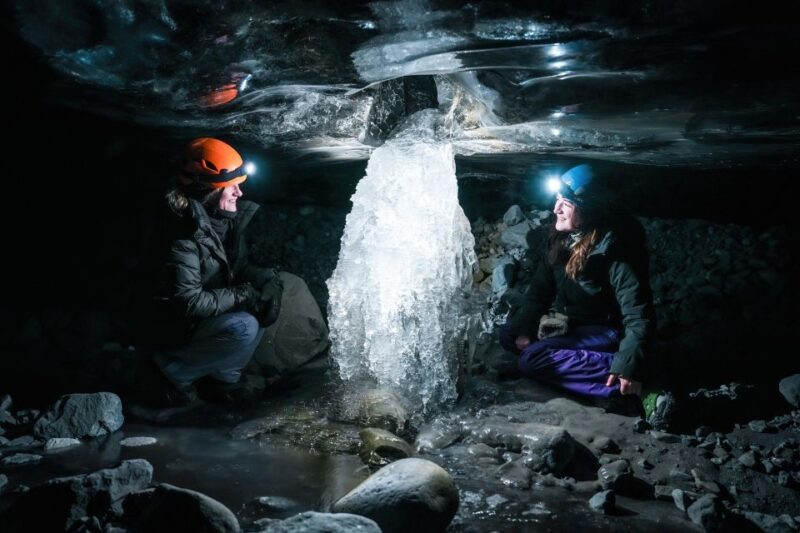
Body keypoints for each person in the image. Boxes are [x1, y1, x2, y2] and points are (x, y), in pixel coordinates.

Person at [500, 164, 654, 415]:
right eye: (557, 200)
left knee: (532, 359)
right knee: (509, 333)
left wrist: (629, 365)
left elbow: (638, 315)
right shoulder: (561, 239)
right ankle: (570, 363)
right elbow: (540, 290)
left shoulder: (614, 250)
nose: (556, 209)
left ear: (588, 210)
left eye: (566, 204)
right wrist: (526, 328)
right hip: (572, 321)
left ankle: (628, 379)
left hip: (605, 330)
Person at [142, 137, 284, 406]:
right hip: (172, 322)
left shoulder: (224, 221)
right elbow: (188, 301)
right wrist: (243, 295)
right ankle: (172, 375)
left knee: (261, 308)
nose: (239, 193)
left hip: (205, 311)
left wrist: (267, 282)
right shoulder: (182, 234)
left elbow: (238, 267)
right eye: (231, 187)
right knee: (245, 325)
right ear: (207, 191)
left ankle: (221, 381)